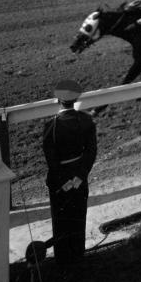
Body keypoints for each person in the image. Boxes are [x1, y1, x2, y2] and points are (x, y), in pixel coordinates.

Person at [41, 78, 97, 263]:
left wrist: (64, 181)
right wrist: (79, 177)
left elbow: (52, 160)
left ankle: (63, 259)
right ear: (76, 99)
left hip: (60, 181)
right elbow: (91, 152)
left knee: (61, 220)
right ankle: (78, 255)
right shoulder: (87, 120)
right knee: (78, 216)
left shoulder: (52, 126)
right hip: (80, 177)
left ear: (58, 101)